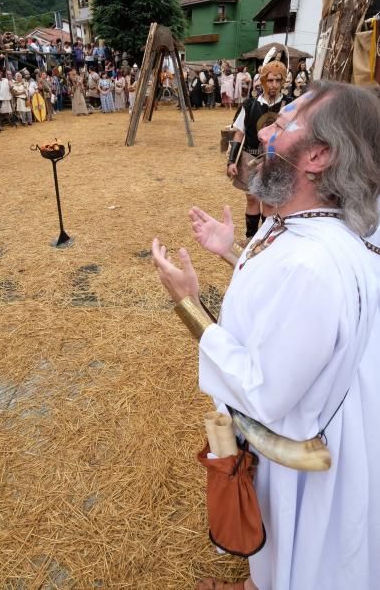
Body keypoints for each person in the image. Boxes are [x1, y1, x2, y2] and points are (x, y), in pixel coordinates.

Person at [152, 81, 380, 590]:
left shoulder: (312, 263)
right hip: (313, 425)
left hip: (300, 440)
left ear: (318, 155)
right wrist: (231, 251)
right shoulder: (310, 227)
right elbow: (287, 312)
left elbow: (264, 391)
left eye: (281, 123)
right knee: (285, 541)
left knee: (303, 543)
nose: (265, 132)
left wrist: (187, 303)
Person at [227, 54, 291, 240]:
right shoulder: (250, 104)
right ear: (263, 81)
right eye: (270, 80)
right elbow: (239, 133)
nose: (273, 84)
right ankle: (251, 238)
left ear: (283, 82)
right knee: (252, 198)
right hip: (251, 157)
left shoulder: (289, 105)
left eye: (278, 80)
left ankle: (266, 239)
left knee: (270, 202)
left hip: (277, 159)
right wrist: (231, 161)